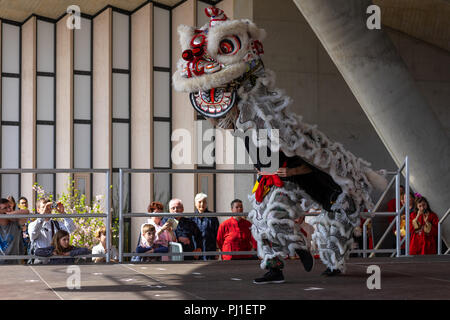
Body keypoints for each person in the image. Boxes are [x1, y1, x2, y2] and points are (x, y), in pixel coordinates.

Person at [191, 193, 219, 260]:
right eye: (199, 202)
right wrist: (194, 249)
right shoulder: (191, 218)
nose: (202, 204)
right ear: (195, 203)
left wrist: (217, 250)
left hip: (210, 249)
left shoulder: (212, 217)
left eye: (204, 202)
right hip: (197, 250)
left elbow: (217, 234)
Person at [0, 198, 28, 264]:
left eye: (10, 207)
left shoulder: (16, 222)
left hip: (14, 266)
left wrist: (7, 214)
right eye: (5, 208)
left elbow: (26, 212)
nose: (9, 210)